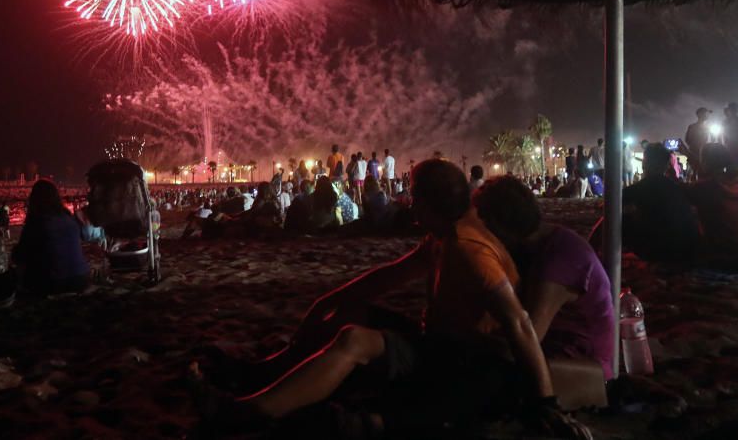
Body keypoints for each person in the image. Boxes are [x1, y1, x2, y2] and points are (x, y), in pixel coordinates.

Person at [190, 160, 590, 439]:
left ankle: (252, 412)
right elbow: (384, 278)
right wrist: (324, 305)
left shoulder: (470, 248)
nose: (408, 205)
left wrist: (546, 401)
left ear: (427, 204)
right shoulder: (446, 234)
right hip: (441, 341)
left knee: (354, 340)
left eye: (414, 198)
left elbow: (518, 323)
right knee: (348, 313)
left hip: (466, 358)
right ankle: (259, 377)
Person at [476, 177, 614, 381]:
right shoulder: (532, 246)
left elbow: (528, 338)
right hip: (555, 349)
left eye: (483, 224)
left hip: (584, 367)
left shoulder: (559, 258)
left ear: (499, 225)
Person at [592, 143, 699, 263]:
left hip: (656, 249)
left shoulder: (642, 187)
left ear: (645, 163)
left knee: (616, 218)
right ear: (666, 166)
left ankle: (590, 252)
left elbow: (610, 204)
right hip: (683, 250)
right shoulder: (676, 187)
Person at [684, 143, 738, 267]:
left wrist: (668, 171)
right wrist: (689, 155)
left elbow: (675, 190)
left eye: (702, 158)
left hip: (723, 248)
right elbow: (711, 172)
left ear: (705, 162)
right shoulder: (736, 180)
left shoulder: (704, 187)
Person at [12, 179, 89, 294]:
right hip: (81, 278)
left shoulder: (38, 220)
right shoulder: (69, 218)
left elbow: (21, 255)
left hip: (54, 282)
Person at [683, 107, 712, 180]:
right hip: (696, 153)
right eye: (705, 113)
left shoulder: (707, 127)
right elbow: (688, 139)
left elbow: (687, 139)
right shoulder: (693, 127)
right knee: (694, 173)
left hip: (701, 153)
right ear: (699, 115)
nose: (707, 115)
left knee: (699, 174)